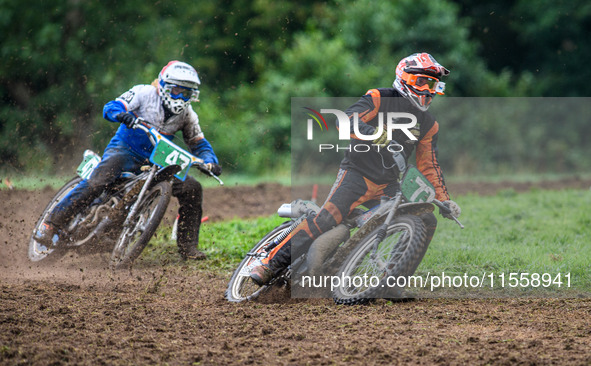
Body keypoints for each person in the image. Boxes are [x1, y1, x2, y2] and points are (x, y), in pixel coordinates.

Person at [250, 52, 461, 285]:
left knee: (425, 218)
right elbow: (346, 119)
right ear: (406, 78)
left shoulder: (429, 123)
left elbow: (429, 164)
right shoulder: (380, 97)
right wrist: (373, 134)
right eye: (422, 81)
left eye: (432, 83)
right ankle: (269, 264)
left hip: (389, 185)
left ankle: (393, 278)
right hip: (356, 174)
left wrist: (444, 200)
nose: (428, 89)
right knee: (327, 218)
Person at [34, 60, 222, 260]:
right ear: (164, 86)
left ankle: (188, 249)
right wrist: (123, 115)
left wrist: (209, 161)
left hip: (157, 162)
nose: (180, 97)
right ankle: (51, 224)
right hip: (124, 150)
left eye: (186, 93)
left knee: (192, 188)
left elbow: (199, 143)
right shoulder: (144, 93)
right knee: (99, 181)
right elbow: (111, 106)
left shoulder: (187, 115)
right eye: (177, 90)